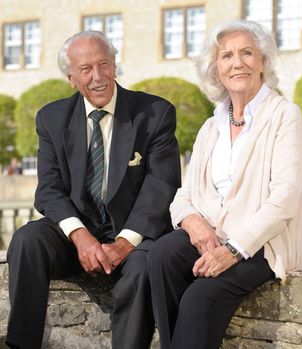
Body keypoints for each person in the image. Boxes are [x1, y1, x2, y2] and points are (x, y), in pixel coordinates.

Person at [6, 31, 181, 349]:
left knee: (144, 266)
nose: (98, 77)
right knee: (26, 240)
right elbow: (48, 189)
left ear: (115, 65)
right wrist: (80, 236)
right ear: (71, 78)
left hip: (132, 238)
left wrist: (125, 243)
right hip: (76, 237)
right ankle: (20, 344)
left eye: (104, 64)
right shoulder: (51, 118)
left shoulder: (155, 114)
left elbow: (162, 186)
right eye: (86, 69)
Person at [148, 19, 302, 349]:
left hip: (265, 244)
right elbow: (184, 195)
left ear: (263, 62)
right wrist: (193, 223)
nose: (237, 63)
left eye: (247, 53)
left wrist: (232, 251)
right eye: (226, 56)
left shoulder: (285, 115)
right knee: (162, 255)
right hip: (214, 235)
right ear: (216, 68)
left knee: (200, 297)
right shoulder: (211, 127)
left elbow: (284, 199)